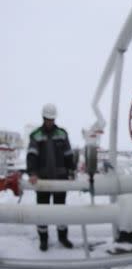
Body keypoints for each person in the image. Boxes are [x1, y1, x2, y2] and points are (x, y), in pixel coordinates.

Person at [26, 103, 75, 251]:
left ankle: (63, 237)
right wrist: (33, 173)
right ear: (43, 118)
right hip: (42, 180)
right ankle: (43, 239)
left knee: (60, 211)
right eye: (47, 119)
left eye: (52, 119)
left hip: (60, 179)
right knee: (42, 212)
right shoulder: (36, 135)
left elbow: (68, 154)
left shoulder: (62, 134)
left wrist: (71, 170)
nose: (49, 122)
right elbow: (32, 155)